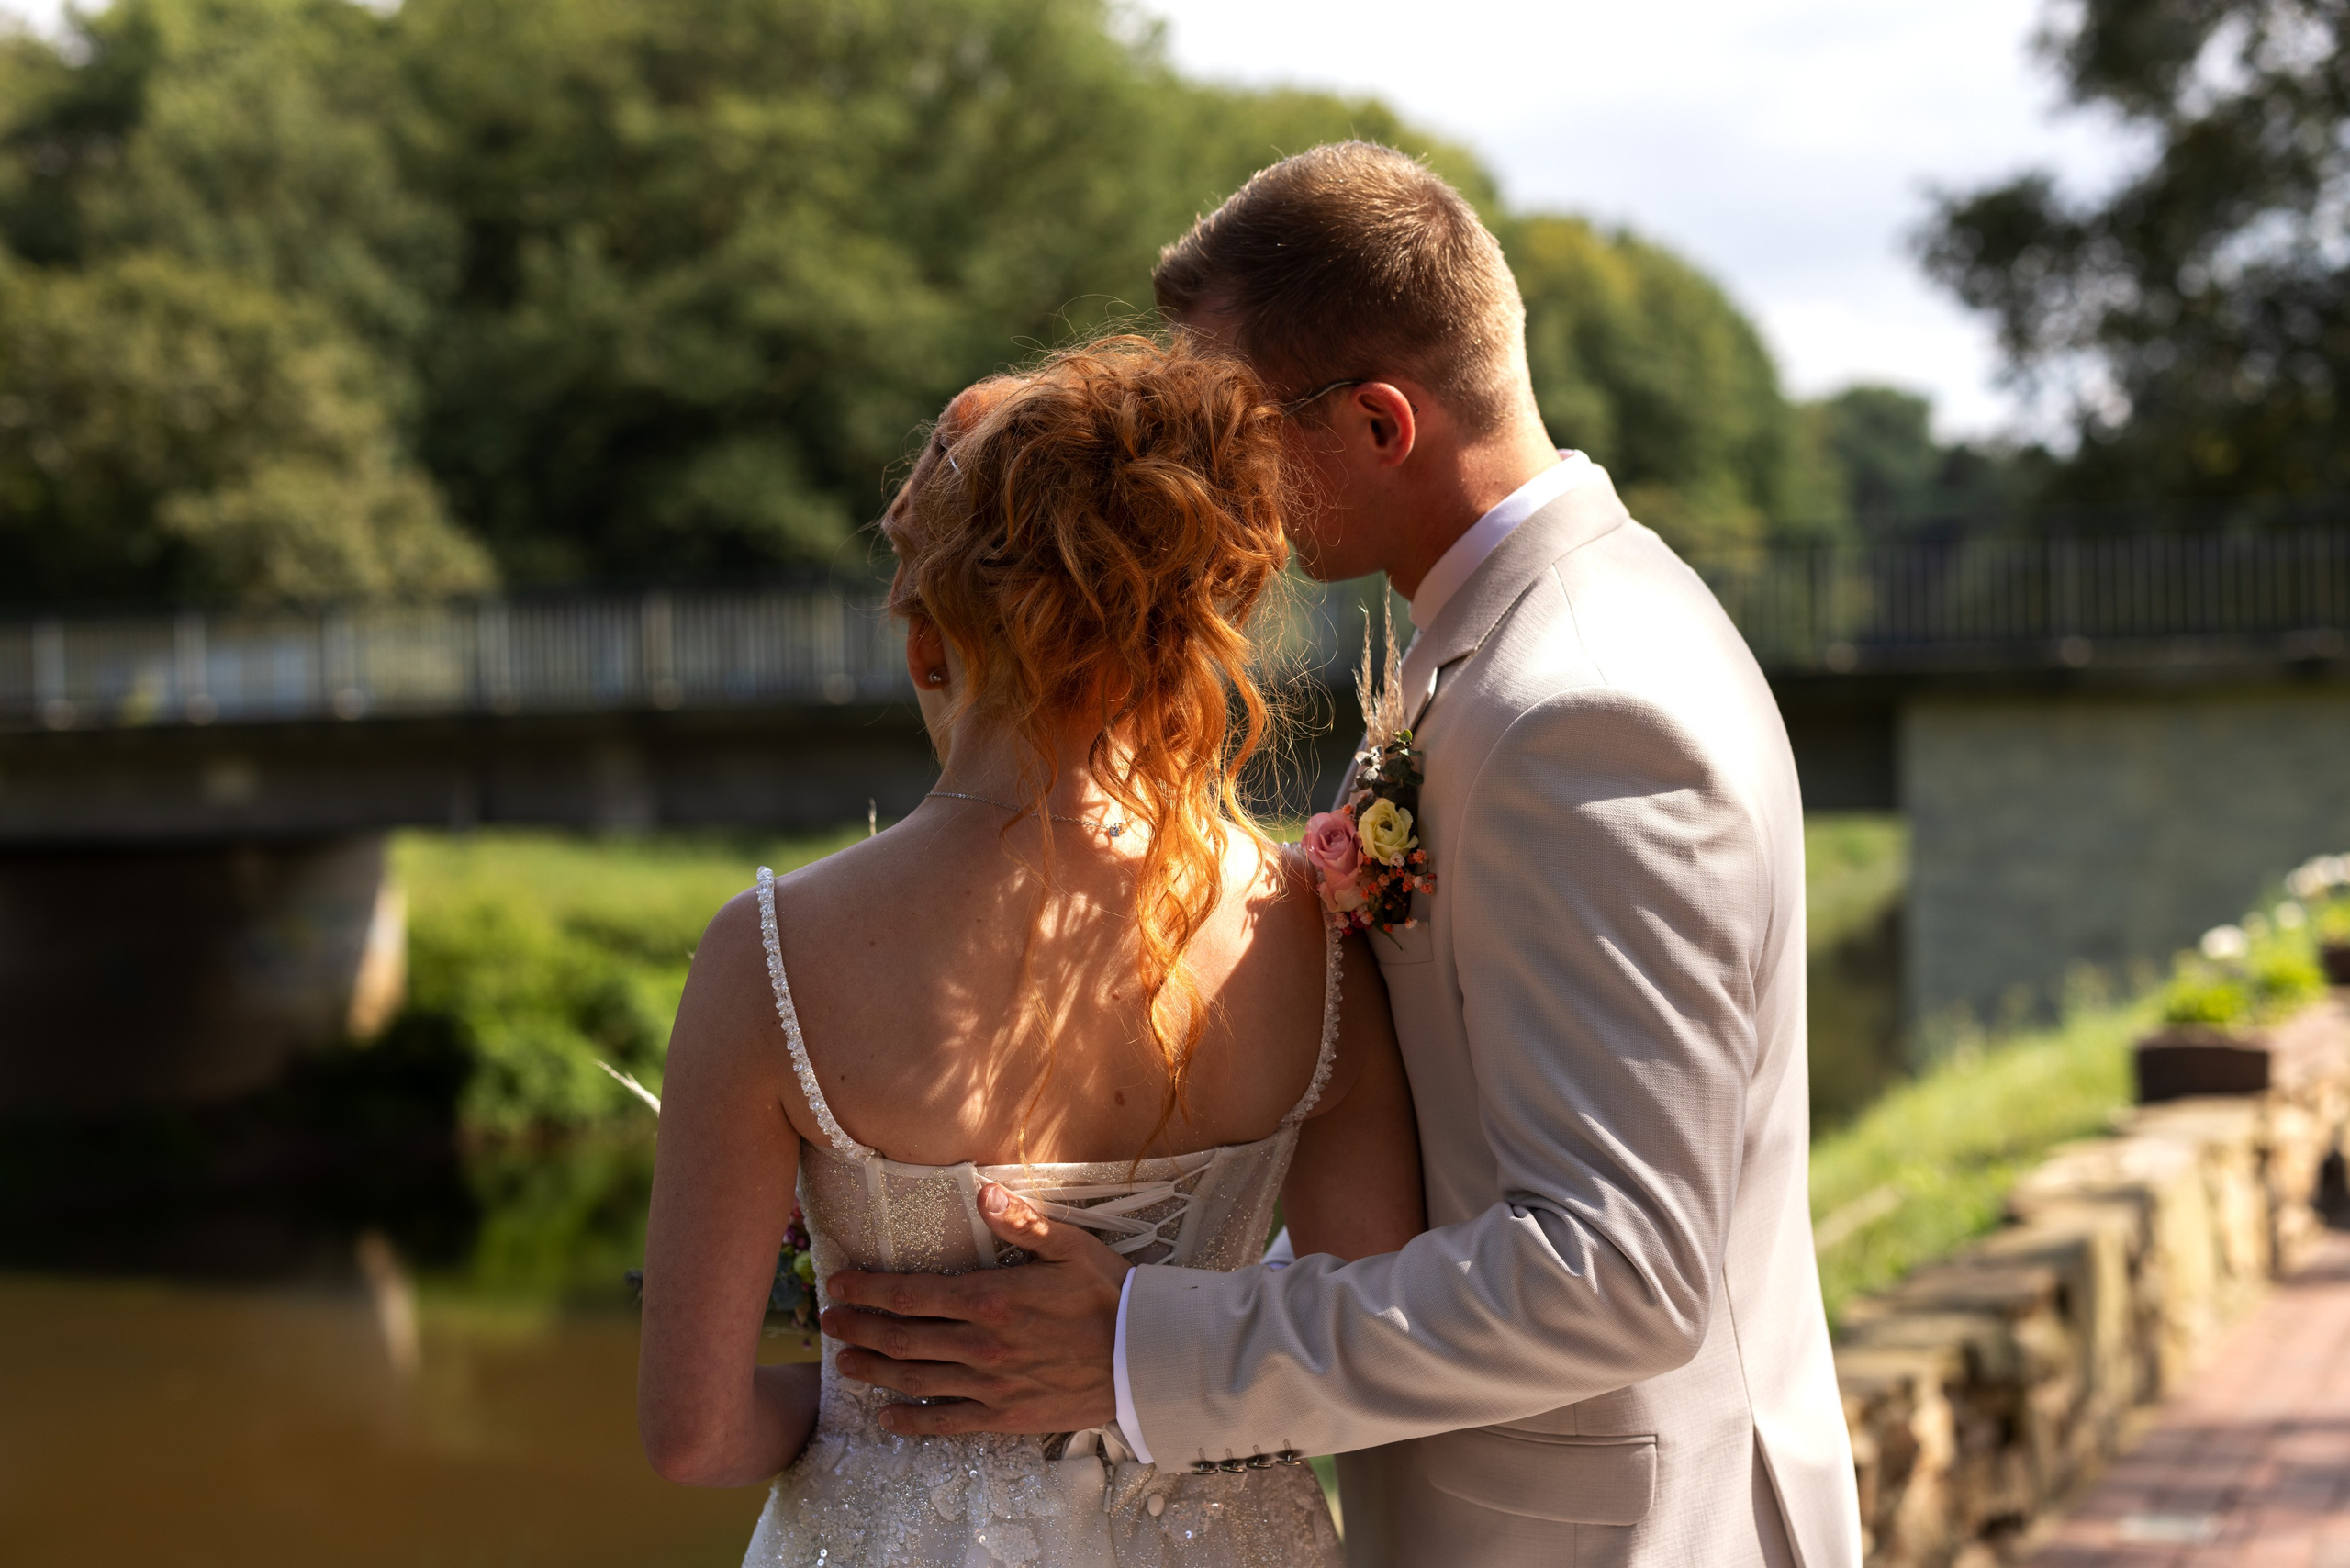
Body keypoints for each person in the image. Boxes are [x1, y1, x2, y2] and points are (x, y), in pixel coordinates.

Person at [818, 143, 1866, 1567]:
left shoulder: (1584, 704)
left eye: (1232, 423)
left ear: (1380, 424)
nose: (1196, 471)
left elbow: (1619, 1277)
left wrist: (1142, 1342)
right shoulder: (1512, 645)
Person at [634, 334, 1426, 1566]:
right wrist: (1156, 1359)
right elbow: (1378, 1336)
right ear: (1185, 627)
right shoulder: (1311, 932)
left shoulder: (775, 955)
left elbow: (693, 1433)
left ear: (928, 643)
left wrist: (865, 1406)